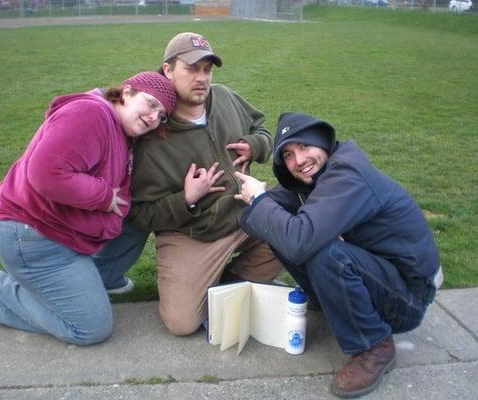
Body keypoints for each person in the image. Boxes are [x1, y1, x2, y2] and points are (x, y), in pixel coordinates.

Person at [234, 112, 443, 398]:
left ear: (322, 142)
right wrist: (251, 199)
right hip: (386, 281)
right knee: (283, 229)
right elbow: (271, 212)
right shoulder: (315, 179)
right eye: (288, 155)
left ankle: (374, 346)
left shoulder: (348, 174)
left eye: (304, 147)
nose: (299, 160)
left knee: (319, 249)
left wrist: (259, 200)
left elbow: (297, 239)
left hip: (407, 300)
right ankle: (329, 301)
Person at [0, 72, 176, 345]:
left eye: (162, 115)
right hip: (33, 238)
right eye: (151, 104)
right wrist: (104, 197)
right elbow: (47, 173)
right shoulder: (91, 113)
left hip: (62, 234)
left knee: (136, 221)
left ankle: (93, 281)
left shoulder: (120, 128)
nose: (155, 117)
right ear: (127, 92)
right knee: (91, 328)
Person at [127, 32, 282, 336]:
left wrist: (255, 145)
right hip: (194, 233)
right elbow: (138, 213)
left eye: (207, 69)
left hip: (245, 215)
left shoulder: (224, 97)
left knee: (295, 235)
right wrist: (185, 200)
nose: (202, 78)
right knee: (182, 323)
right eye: (191, 68)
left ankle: (229, 282)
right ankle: (213, 283)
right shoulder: (150, 134)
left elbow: (262, 128)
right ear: (168, 70)